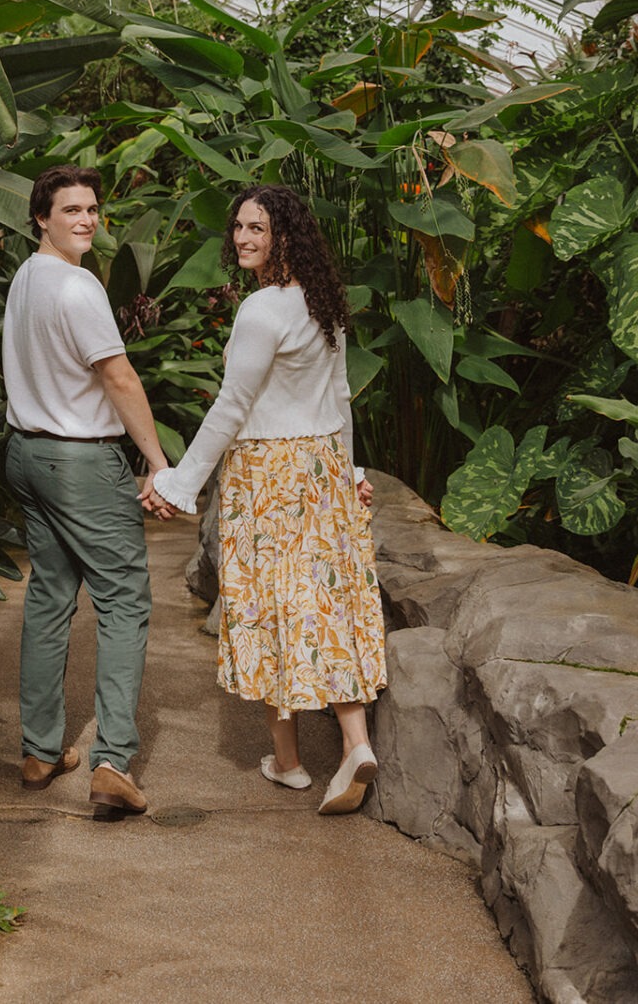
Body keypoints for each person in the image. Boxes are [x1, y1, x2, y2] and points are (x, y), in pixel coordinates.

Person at [142, 184, 386, 814]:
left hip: (267, 471)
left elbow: (231, 407)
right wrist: (352, 466)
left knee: (273, 605)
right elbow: (339, 400)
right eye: (240, 227)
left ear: (286, 236)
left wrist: (180, 482)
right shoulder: (320, 302)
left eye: (259, 228)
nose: (244, 238)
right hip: (321, 463)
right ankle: (354, 744)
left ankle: (291, 761)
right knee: (322, 597)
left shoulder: (260, 312)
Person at [3, 165, 169, 820]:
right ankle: (113, 764)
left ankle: (41, 751)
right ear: (40, 217)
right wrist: (157, 462)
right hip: (78, 461)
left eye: (93, 209)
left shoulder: (25, 279)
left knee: (49, 594)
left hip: (26, 453)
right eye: (71, 209)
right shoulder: (78, 287)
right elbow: (119, 376)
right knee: (125, 598)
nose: (86, 219)